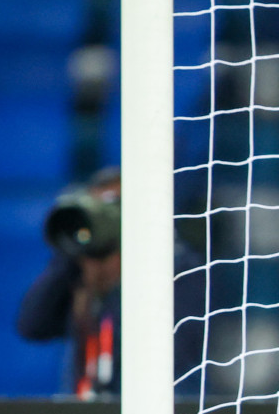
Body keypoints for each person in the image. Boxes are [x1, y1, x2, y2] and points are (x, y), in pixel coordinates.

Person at [17, 167, 208, 397]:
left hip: (155, 412)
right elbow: (32, 325)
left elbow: (169, 355)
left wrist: (117, 281)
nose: (101, 218)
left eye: (113, 205)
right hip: (83, 410)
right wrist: (71, 254)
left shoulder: (179, 267)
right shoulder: (80, 267)